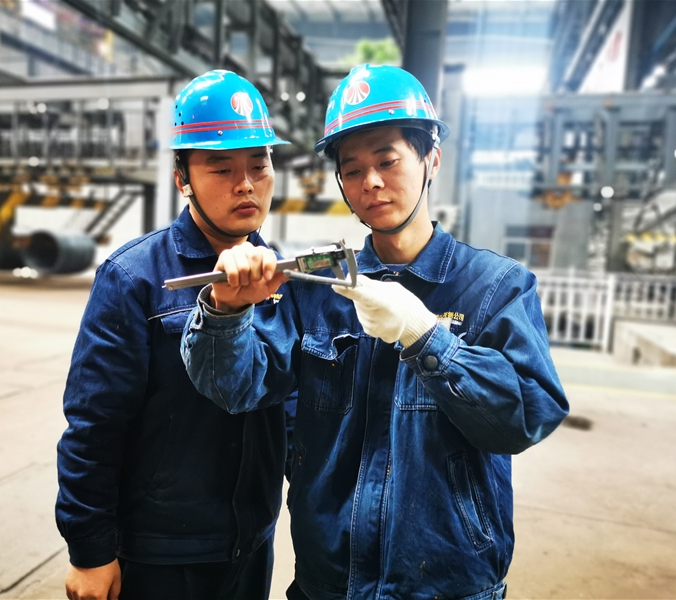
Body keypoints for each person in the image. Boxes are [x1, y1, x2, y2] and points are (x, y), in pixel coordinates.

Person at [181, 64, 569, 600]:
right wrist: (226, 311)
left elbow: (527, 417)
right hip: (327, 581)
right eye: (353, 170)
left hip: (448, 586)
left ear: (431, 158)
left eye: (388, 161)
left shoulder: (495, 286)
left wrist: (426, 337)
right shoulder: (319, 285)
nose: (372, 183)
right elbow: (236, 387)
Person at [56, 69, 295, 600]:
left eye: (259, 165)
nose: (246, 184)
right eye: (222, 168)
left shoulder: (278, 274)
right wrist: (90, 550)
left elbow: (289, 405)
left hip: (251, 541)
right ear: (182, 178)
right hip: (159, 553)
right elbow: (94, 423)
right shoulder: (135, 278)